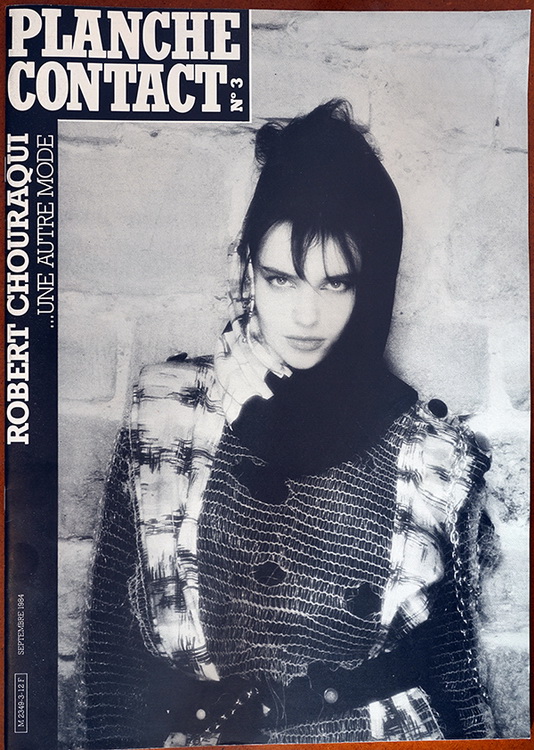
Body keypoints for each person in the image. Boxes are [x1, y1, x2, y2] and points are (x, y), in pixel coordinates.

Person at [81, 100, 494, 748]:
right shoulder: (169, 416)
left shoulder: (432, 457)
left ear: (372, 285)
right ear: (248, 268)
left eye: (335, 283)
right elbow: (113, 664)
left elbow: (453, 674)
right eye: (281, 279)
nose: (305, 315)